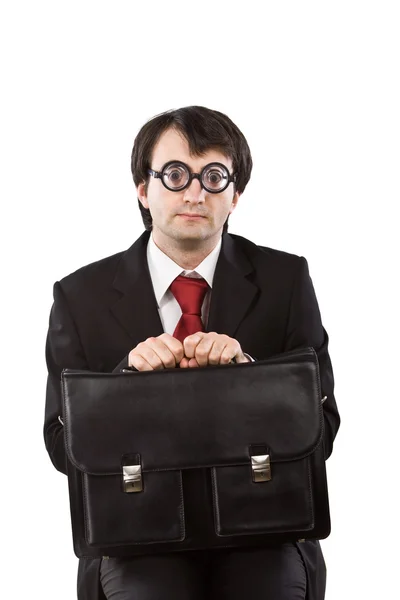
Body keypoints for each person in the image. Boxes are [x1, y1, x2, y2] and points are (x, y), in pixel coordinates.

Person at [44, 105, 340, 600]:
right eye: (176, 174)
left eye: (215, 176)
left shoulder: (286, 280)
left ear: (236, 194)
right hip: (136, 541)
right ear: (143, 188)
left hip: (263, 534)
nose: (195, 192)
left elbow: (323, 432)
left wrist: (249, 375)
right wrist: (125, 378)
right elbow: (60, 445)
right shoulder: (81, 295)